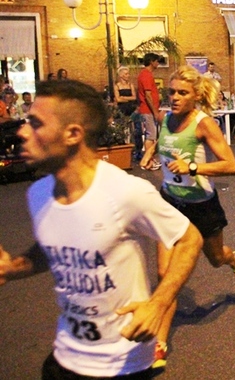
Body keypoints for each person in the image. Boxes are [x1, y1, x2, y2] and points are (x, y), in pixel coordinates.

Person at [0, 79, 202, 378]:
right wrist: (11, 268)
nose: (22, 131)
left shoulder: (126, 192)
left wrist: (159, 304)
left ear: (72, 134)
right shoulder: (39, 193)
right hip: (65, 356)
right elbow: (55, 248)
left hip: (122, 364)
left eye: (35, 123)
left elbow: (189, 239)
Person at [153, 66, 235, 369]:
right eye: (171, 92)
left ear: (196, 96)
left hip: (202, 206)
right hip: (170, 203)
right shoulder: (164, 119)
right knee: (164, 274)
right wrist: (150, 152)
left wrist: (193, 169)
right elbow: (164, 146)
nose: (174, 98)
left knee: (215, 257)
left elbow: (230, 165)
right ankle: (159, 344)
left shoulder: (204, 124)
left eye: (182, 93)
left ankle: (234, 260)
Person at [137, 53, 162, 171]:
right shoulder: (146, 75)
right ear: (151, 61)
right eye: (157, 61)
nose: (158, 63)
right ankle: (149, 161)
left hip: (149, 110)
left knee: (152, 135)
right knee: (150, 136)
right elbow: (148, 95)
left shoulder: (146, 74)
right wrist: (155, 112)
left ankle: (151, 159)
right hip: (148, 111)